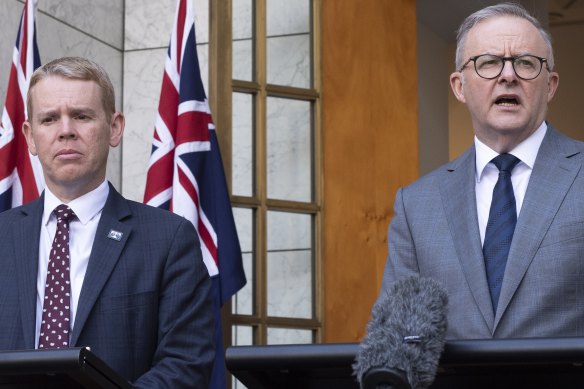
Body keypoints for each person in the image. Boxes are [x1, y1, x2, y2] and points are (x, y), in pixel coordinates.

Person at [0, 57, 214, 387]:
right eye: (49, 119)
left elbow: (185, 365)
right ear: (29, 136)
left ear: (114, 128)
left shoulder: (168, 239)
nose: (66, 130)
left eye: (82, 116)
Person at [376, 2, 584, 339]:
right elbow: (396, 339)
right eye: (488, 63)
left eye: (526, 63)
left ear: (551, 85)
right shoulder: (417, 205)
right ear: (459, 86)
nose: (508, 75)